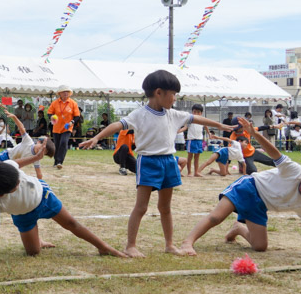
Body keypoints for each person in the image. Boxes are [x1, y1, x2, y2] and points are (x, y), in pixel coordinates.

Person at [80, 70, 232, 257]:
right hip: (148, 162)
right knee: (141, 207)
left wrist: (220, 126)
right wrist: (96, 138)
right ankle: (131, 245)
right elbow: (117, 125)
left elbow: (196, 119)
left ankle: (169, 245)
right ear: (159, 92)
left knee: (165, 208)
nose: (175, 99)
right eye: (173, 94)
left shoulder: (173, 114)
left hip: (169, 161)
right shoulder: (139, 114)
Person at [179, 117, 301, 256]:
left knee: (260, 246)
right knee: (216, 217)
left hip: (260, 206)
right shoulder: (296, 171)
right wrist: (255, 134)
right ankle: (188, 242)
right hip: (248, 187)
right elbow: (274, 153)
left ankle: (238, 227)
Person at [0, 150, 127, 267]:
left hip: (44, 197)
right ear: (2, 194)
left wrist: (36, 157)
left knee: (71, 223)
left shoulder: (8, 166)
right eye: (15, 186)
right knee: (33, 253)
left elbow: (18, 163)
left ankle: (103, 247)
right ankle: (38, 240)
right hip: (23, 215)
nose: (19, 183)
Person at [0, 111, 56, 183]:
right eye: (42, 147)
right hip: (7, 155)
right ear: (38, 142)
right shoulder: (28, 141)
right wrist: (14, 117)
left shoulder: (36, 158)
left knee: (7, 179)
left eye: (44, 152)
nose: (40, 150)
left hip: (14, 166)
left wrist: (40, 184)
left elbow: (39, 174)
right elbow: (21, 128)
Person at [48, 86, 81, 169]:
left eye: (67, 92)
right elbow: (49, 113)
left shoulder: (73, 103)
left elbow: (77, 116)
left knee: (63, 142)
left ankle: (59, 161)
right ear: (60, 93)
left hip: (67, 128)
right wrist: (52, 118)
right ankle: (56, 162)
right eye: (63, 92)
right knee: (57, 145)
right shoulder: (55, 103)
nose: (66, 93)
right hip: (56, 128)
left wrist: (71, 122)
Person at [184, 104, 205, 177]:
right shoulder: (190, 120)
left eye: (198, 112)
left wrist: (209, 134)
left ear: (201, 113)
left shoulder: (202, 120)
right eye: (194, 111)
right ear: (192, 112)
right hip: (191, 140)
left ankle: (196, 172)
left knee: (197, 157)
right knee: (190, 157)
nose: (196, 113)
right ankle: (189, 172)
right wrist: (178, 131)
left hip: (199, 140)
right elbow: (185, 128)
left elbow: (206, 126)